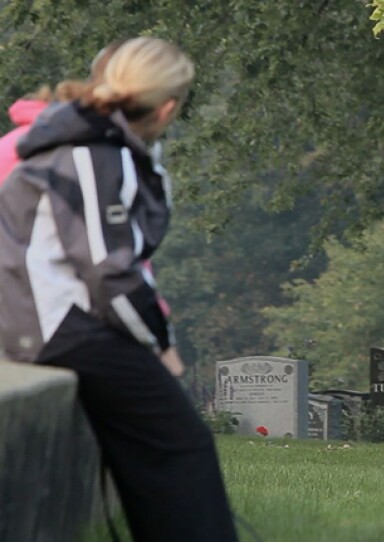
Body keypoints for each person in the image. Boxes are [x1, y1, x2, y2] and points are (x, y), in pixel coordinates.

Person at [0, 37, 239, 541]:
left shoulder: (78, 140)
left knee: (154, 444)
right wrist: (160, 345)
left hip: (43, 320)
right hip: (58, 327)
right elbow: (109, 271)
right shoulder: (94, 154)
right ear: (168, 107)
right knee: (184, 445)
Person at [0, 44, 185, 377]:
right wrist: (158, 337)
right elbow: (114, 261)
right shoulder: (82, 157)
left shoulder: (43, 145)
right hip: (48, 322)